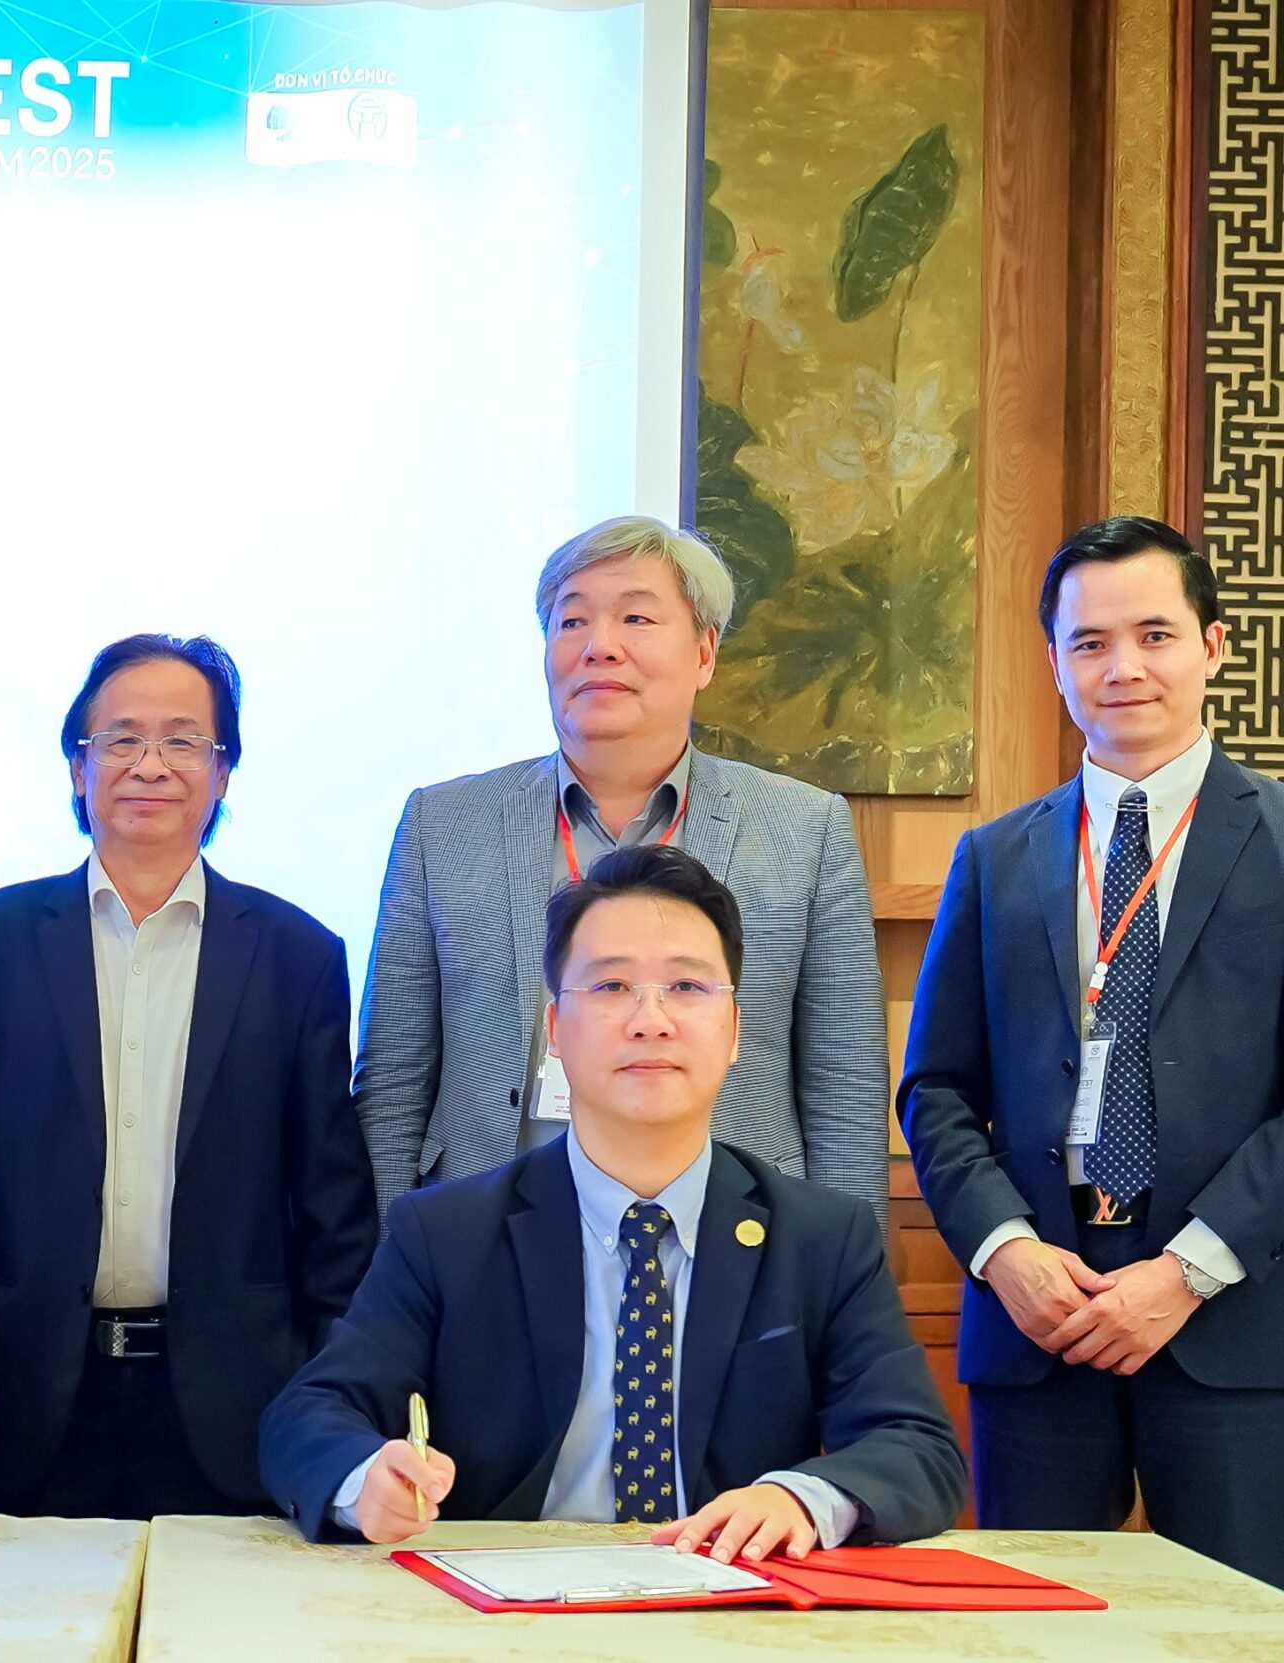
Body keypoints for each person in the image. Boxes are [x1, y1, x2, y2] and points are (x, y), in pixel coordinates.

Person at [264, 845, 962, 1553]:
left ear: (734, 1031)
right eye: (611, 986)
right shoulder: (448, 1232)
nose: (650, 1020)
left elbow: (917, 1445)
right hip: (509, 1594)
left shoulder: (821, 1237)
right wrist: (364, 1478)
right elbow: (310, 1414)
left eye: (687, 986)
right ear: (555, 1031)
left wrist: (800, 1498)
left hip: (733, 1593)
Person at [901, 517, 1284, 1587]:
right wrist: (1005, 1254)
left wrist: (1188, 1269)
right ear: (1054, 660)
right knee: (1033, 1629)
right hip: (1040, 1324)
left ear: (1212, 646)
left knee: (1238, 1633)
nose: (1123, 667)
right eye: (1089, 642)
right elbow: (936, 1090)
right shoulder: (994, 856)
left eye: (1154, 634)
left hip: (1233, 1321)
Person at [0, 634, 375, 1519]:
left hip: (240, 1395)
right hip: (29, 1385)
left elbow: (330, 1196)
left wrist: (334, 1380)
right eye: (121, 739)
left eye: (182, 740)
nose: (150, 765)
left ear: (223, 771)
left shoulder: (297, 953)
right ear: (77, 766)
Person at [355, 516, 885, 1223]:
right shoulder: (443, 825)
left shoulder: (804, 829)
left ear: (704, 652)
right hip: (491, 1241)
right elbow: (393, 1082)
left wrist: (842, 1275)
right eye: (572, 621)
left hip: (736, 1241)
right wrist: (396, 1265)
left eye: (636, 617)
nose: (598, 645)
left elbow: (844, 1086)